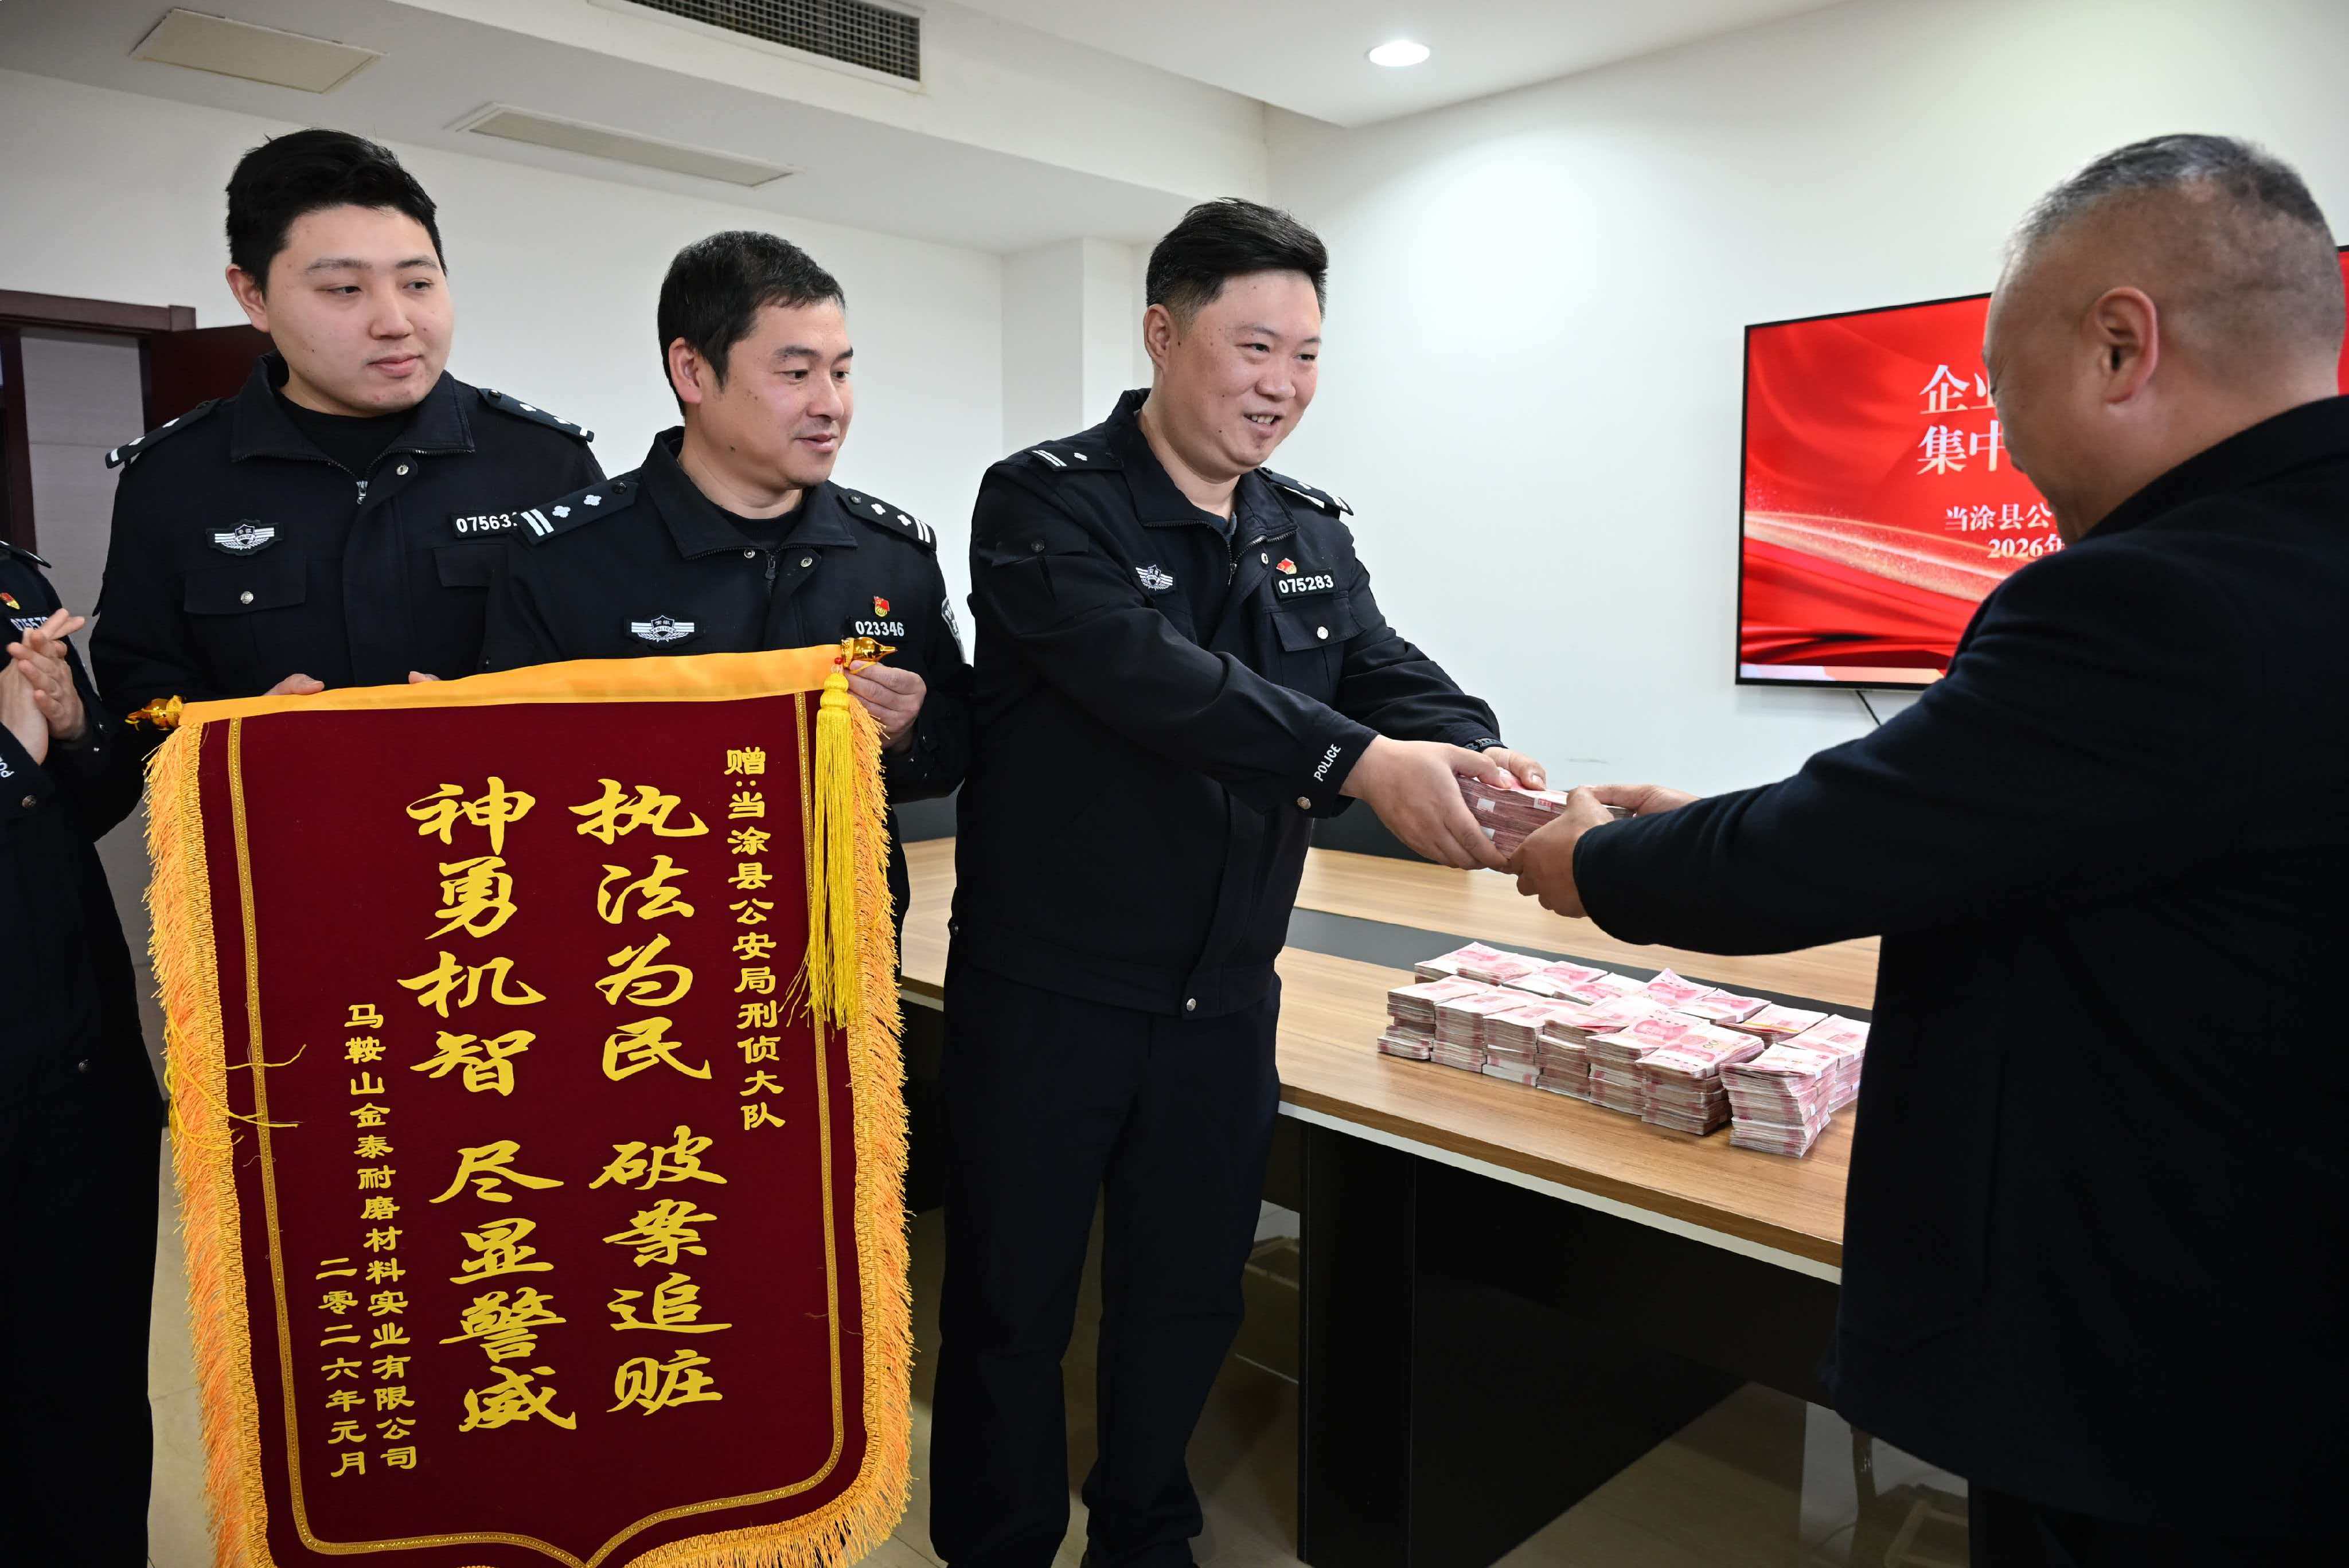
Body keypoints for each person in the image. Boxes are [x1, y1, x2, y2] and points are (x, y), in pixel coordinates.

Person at [1508, 134, 2349, 1565]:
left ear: (2119, 346)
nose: (2004, 443)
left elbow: (1821, 851)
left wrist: (1591, 861)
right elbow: (2021, 815)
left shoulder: (2147, 597)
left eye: (2000, 389)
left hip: (2156, 1368)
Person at [934, 198, 1546, 1568]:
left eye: (1307, 354)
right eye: (1253, 345)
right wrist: (1358, 759)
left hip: (1221, 996)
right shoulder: (1045, 499)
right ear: (1162, 334)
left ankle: (1144, 1532)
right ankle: (996, 1541)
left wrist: (1473, 747)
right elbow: (1155, 679)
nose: (1282, 383)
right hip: (1049, 993)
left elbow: (1378, 664)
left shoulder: (1303, 526)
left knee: (1186, 1295)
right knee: (1012, 1303)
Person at [480, 229, 970, 929]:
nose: (830, 404)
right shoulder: (566, 556)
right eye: (795, 374)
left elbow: (954, 750)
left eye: (841, 372)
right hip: (643, 942)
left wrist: (909, 729)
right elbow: (508, 781)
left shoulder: (892, 554)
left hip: (844, 947)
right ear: (692, 372)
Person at [92, 129, 602, 713]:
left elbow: (614, 661)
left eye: (418, 283)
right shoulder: (173, 476)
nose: (395, 322)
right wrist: (239, 730)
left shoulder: (544, 461)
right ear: (253, 295)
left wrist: (499, 722)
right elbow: (136, 685)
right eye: (344, 289)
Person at [0, 548, 159, 1566]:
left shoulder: (13, 583)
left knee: (87, 1396)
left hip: (78, 1065)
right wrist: (11, 756)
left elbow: (95, 792)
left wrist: (71, 727)